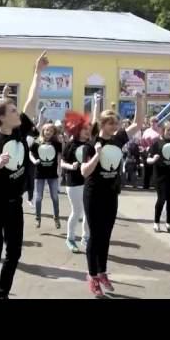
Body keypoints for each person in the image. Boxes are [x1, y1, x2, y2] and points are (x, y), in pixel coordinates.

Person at [0, 51, 47, 300]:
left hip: (15, 205)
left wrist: (37, 73)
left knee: (14, 253)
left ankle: (2, 293)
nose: (18, 113)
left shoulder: (19, 131)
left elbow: (32, 102)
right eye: (13, 110)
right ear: (2, 117)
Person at [81, 92, 144, 297]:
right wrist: (97, 155)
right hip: (93, 194)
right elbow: (84, 172)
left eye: (116, 123)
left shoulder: (118, 139)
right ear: (102, 124)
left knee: (106, 235)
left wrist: (139, 100)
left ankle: (102, 272)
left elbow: (138, 123)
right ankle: (92, 276)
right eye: (111, 123)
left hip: (111, 194)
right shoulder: (92, 144)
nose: (115, 126)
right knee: (95, 236)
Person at [61, 96, 99, 253]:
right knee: (77, 211)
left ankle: (86, 237)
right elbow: (62, 163)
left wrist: (96, 103)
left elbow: (95, 123)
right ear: (77, 130)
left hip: (89, 182)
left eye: (88, 129)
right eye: (84, 129)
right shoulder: (71, 145)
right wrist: (71, 166)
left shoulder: (90, 144)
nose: (88, 131)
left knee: (89, 212)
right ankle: (70, 238)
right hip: (74, 182)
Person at [147, 121, 170, 233]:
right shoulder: (157, 143)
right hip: (160, 176)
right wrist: (153, 160)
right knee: (161, 199)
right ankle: (156, 222)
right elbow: (148, 159)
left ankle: (168, 223)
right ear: (163, 131)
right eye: (168, 130)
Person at [29, 123, 62, 229]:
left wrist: (59, 169)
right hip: (39, 174)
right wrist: (34, 161)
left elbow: (60, 156)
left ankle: (56, 217)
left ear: (53, 133)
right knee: (38, 198)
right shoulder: (37, 142)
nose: (48, 132)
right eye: (46, 130)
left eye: (51, 131)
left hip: (52, 175)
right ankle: (37, 218)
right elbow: (30, 154)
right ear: (43, 131)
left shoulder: (56, 143)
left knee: (55, 197)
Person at [141, 116, 162, 190]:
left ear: (158, 122)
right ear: (150, 122)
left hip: (158, 151)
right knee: (147, 169)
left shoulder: (161, 130)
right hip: (148, 151)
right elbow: (142, 141)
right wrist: (144, 149)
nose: (154, 123)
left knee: (158, 169)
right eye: (152, 121)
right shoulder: (147, 131)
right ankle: (146, 185)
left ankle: (158, 186)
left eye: (155, 121)